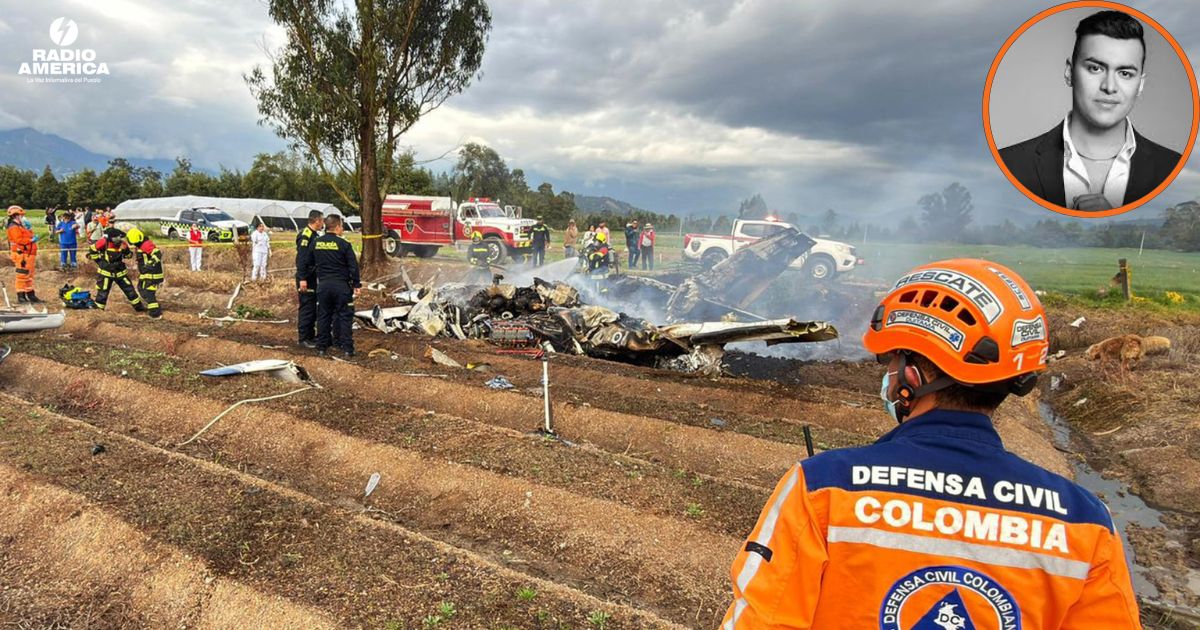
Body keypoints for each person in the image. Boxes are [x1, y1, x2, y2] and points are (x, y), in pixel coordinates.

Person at [721, 259, 1142, 629]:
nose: (888, 376)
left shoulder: (822, 489)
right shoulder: (1085, 523)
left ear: (912, 378)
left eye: (890, 361)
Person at [998, 10, 1182, 211]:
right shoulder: (1009, 165)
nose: (1109, 87)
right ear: (1069, 73)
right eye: (1095, 68)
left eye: (1125, 73)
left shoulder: (1173, 168)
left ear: (1140, 84)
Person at [300, 215, 360, 357]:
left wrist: (303, 278)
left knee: (323, 316)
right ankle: (347, 349)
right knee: (345, 316)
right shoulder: (344, 244)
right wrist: (356, 284)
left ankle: (322, 347)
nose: (342, 229)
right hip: (341, 286)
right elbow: (353, 267)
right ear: (337, 227)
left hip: (323, 286)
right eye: (342, 226)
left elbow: (306, 262)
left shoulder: (316, 242)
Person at [87, 228, 145, 313]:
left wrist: (126, 250)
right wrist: (100, 262)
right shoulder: (103, 242)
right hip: (106, 273)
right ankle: (99, 312)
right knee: (102, 293)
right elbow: (92, 250)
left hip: (120, 272)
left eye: (119, 237)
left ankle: (139, 308)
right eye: (115, 238)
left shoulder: (123, 243)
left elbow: (129, 256)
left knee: (130, 290)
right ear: (110, 237)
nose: (118, 240)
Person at [294, 209, 324, 348]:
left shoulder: (314, 235)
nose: (323, 223)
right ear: (317, 221)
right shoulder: (305, 236)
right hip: (306, 277)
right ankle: (304, 338)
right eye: (322, 220)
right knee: (307, 307)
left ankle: (311, 336)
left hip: (312, 276)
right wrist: (302, 278)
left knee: (312, 306)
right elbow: (301, 259)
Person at [124, 228, 164, 318]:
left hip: (151, 274)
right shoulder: (141, 245)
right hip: (146, 274)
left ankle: (155, 313)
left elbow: (157, 254)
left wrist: (149, 265)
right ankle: (154, 306)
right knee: (141, 288)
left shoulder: (146, 244)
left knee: (147, 292)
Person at [6, 205, 42, 303]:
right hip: (21, 255)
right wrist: (31, 240)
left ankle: (30, 294)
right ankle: (21, 295)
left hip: (28, 254)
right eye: (21, 215)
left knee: (29, 275)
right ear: (16, 215)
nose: (22, 217)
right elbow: (19, 240)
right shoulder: (14, 227)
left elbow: (28, 236)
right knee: (22, 275)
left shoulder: (20, 226)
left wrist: (29, 230)